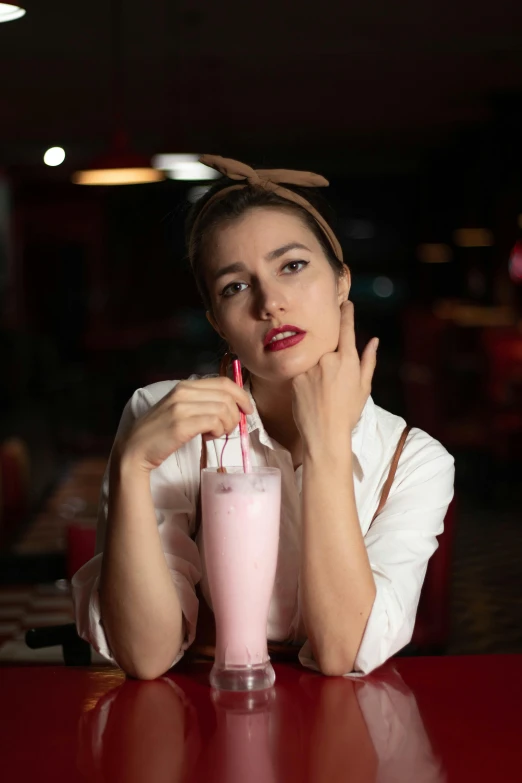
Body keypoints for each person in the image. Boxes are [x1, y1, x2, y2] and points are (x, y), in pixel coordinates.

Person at [71, 155, 455, 680]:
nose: (270, 302)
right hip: (194, 726)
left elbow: (343, 651)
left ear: (342, 282)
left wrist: (326, 448)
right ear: (218, 323)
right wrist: (133, 465)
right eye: (235, 286)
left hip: (343, 741)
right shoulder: (163, 420)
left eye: (292, 266)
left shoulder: (414, 461)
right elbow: (145, 655)